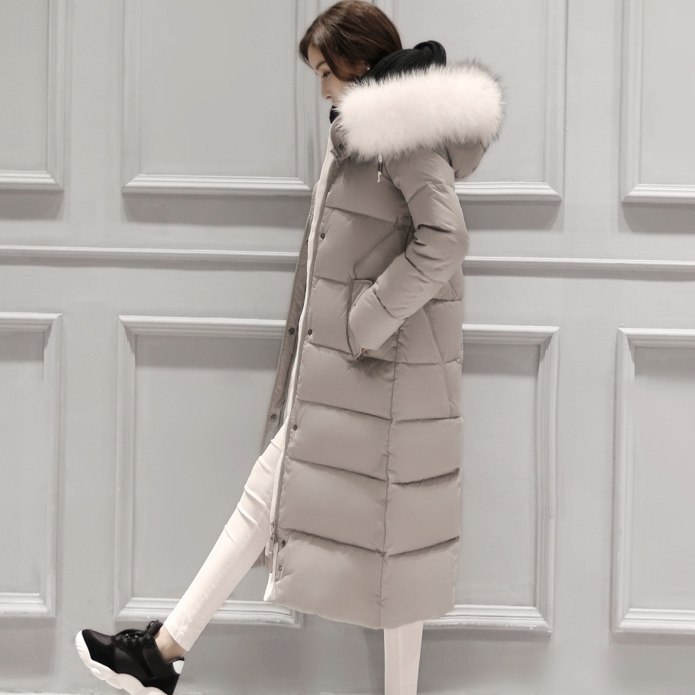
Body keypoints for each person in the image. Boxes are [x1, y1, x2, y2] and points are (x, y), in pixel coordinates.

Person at [74, 2, 505, 694]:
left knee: (340, 525)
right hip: (357, 374)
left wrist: (363, 323)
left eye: (327, 72)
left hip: (379, 375)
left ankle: (162, 654)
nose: (323, 88)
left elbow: (445, 239)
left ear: (358, 62)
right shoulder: (368, 130)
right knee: (333, 523)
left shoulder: (403, 135)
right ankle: (164, 652)